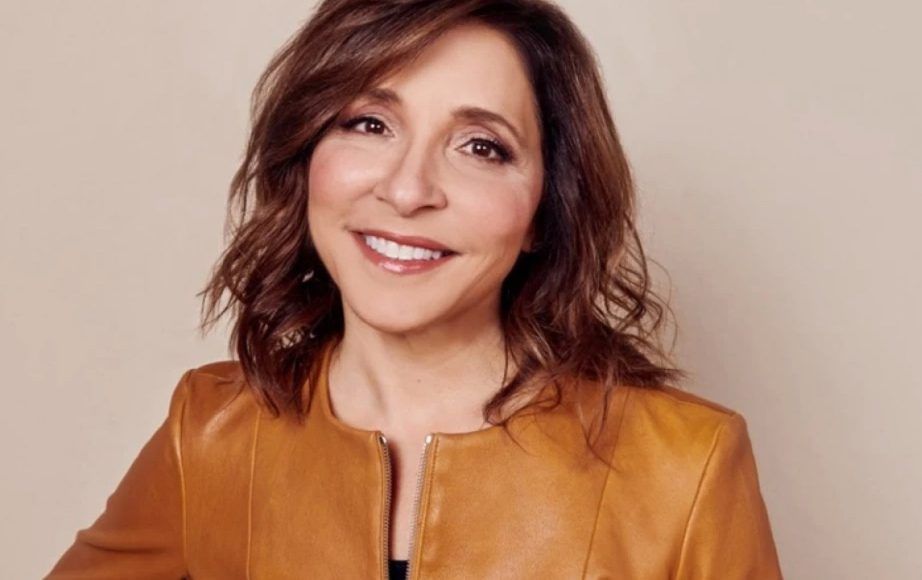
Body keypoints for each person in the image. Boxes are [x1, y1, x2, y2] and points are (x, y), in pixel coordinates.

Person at [48, 0, 782, 578]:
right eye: (369, 123)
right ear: (306, 155)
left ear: (543, 210)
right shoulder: (209, 435)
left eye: (481, 147)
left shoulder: (686, 469)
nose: (407, 190)